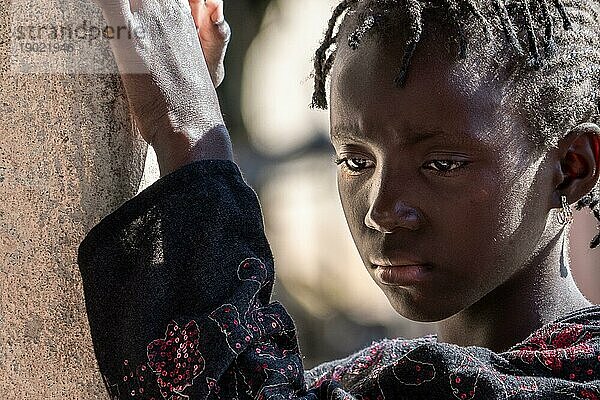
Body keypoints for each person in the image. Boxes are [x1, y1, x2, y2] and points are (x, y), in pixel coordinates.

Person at [78, 0, 600, 398]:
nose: (382, 209)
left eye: (443, 164)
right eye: (356, 161)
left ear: (573, 168)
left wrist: (191, 136)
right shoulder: (354, 380)